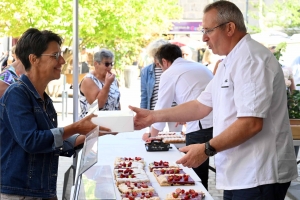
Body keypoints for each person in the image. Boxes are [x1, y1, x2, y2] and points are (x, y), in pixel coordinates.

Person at [130, 1, 298, 199]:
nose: (203, 37)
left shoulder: (251, 59)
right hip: (240, 172)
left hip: (259, 174)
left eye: (208, 30)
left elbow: (251, 123)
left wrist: (206, 148)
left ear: (229, 28)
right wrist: (152, 116)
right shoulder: (229, 61)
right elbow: (200, 105)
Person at [0, 28, 111, 200]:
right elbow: (32, 141)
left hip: (41, 190)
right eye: (55, 55)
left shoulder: (44, 99)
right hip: (20, 192)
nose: (62, 61)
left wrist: (91, 132)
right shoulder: (17, 94)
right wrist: (77, 127)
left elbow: (51, 141)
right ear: (33, 59)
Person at [144, 43, 213, 190]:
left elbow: (161, 107)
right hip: (218, 123)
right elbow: (197, 95)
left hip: (201, 126)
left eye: (159, 65)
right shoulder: (198, 66)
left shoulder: (169, 72)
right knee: (202, 173)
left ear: (164, 61)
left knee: (194, 176)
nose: (160, 69)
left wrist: (152, 136)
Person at [140, 39, 181, 132]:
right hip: (155, 110)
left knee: (176, 138)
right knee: (155, 140)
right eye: (154, 56)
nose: (156, 60)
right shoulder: (146, 71)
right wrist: (143, 114)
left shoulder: (175, 68)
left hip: (175, 110)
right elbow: (144, 95)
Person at [79, 48, 120, 119]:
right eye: (107, 64)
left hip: (112, 124)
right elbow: (98, 105)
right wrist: (107, 84)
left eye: (111, 64)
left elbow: (117, 102)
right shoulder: (88, 80)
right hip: (92, 126)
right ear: (96, 64)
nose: (110, 67)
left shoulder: (113, 80)